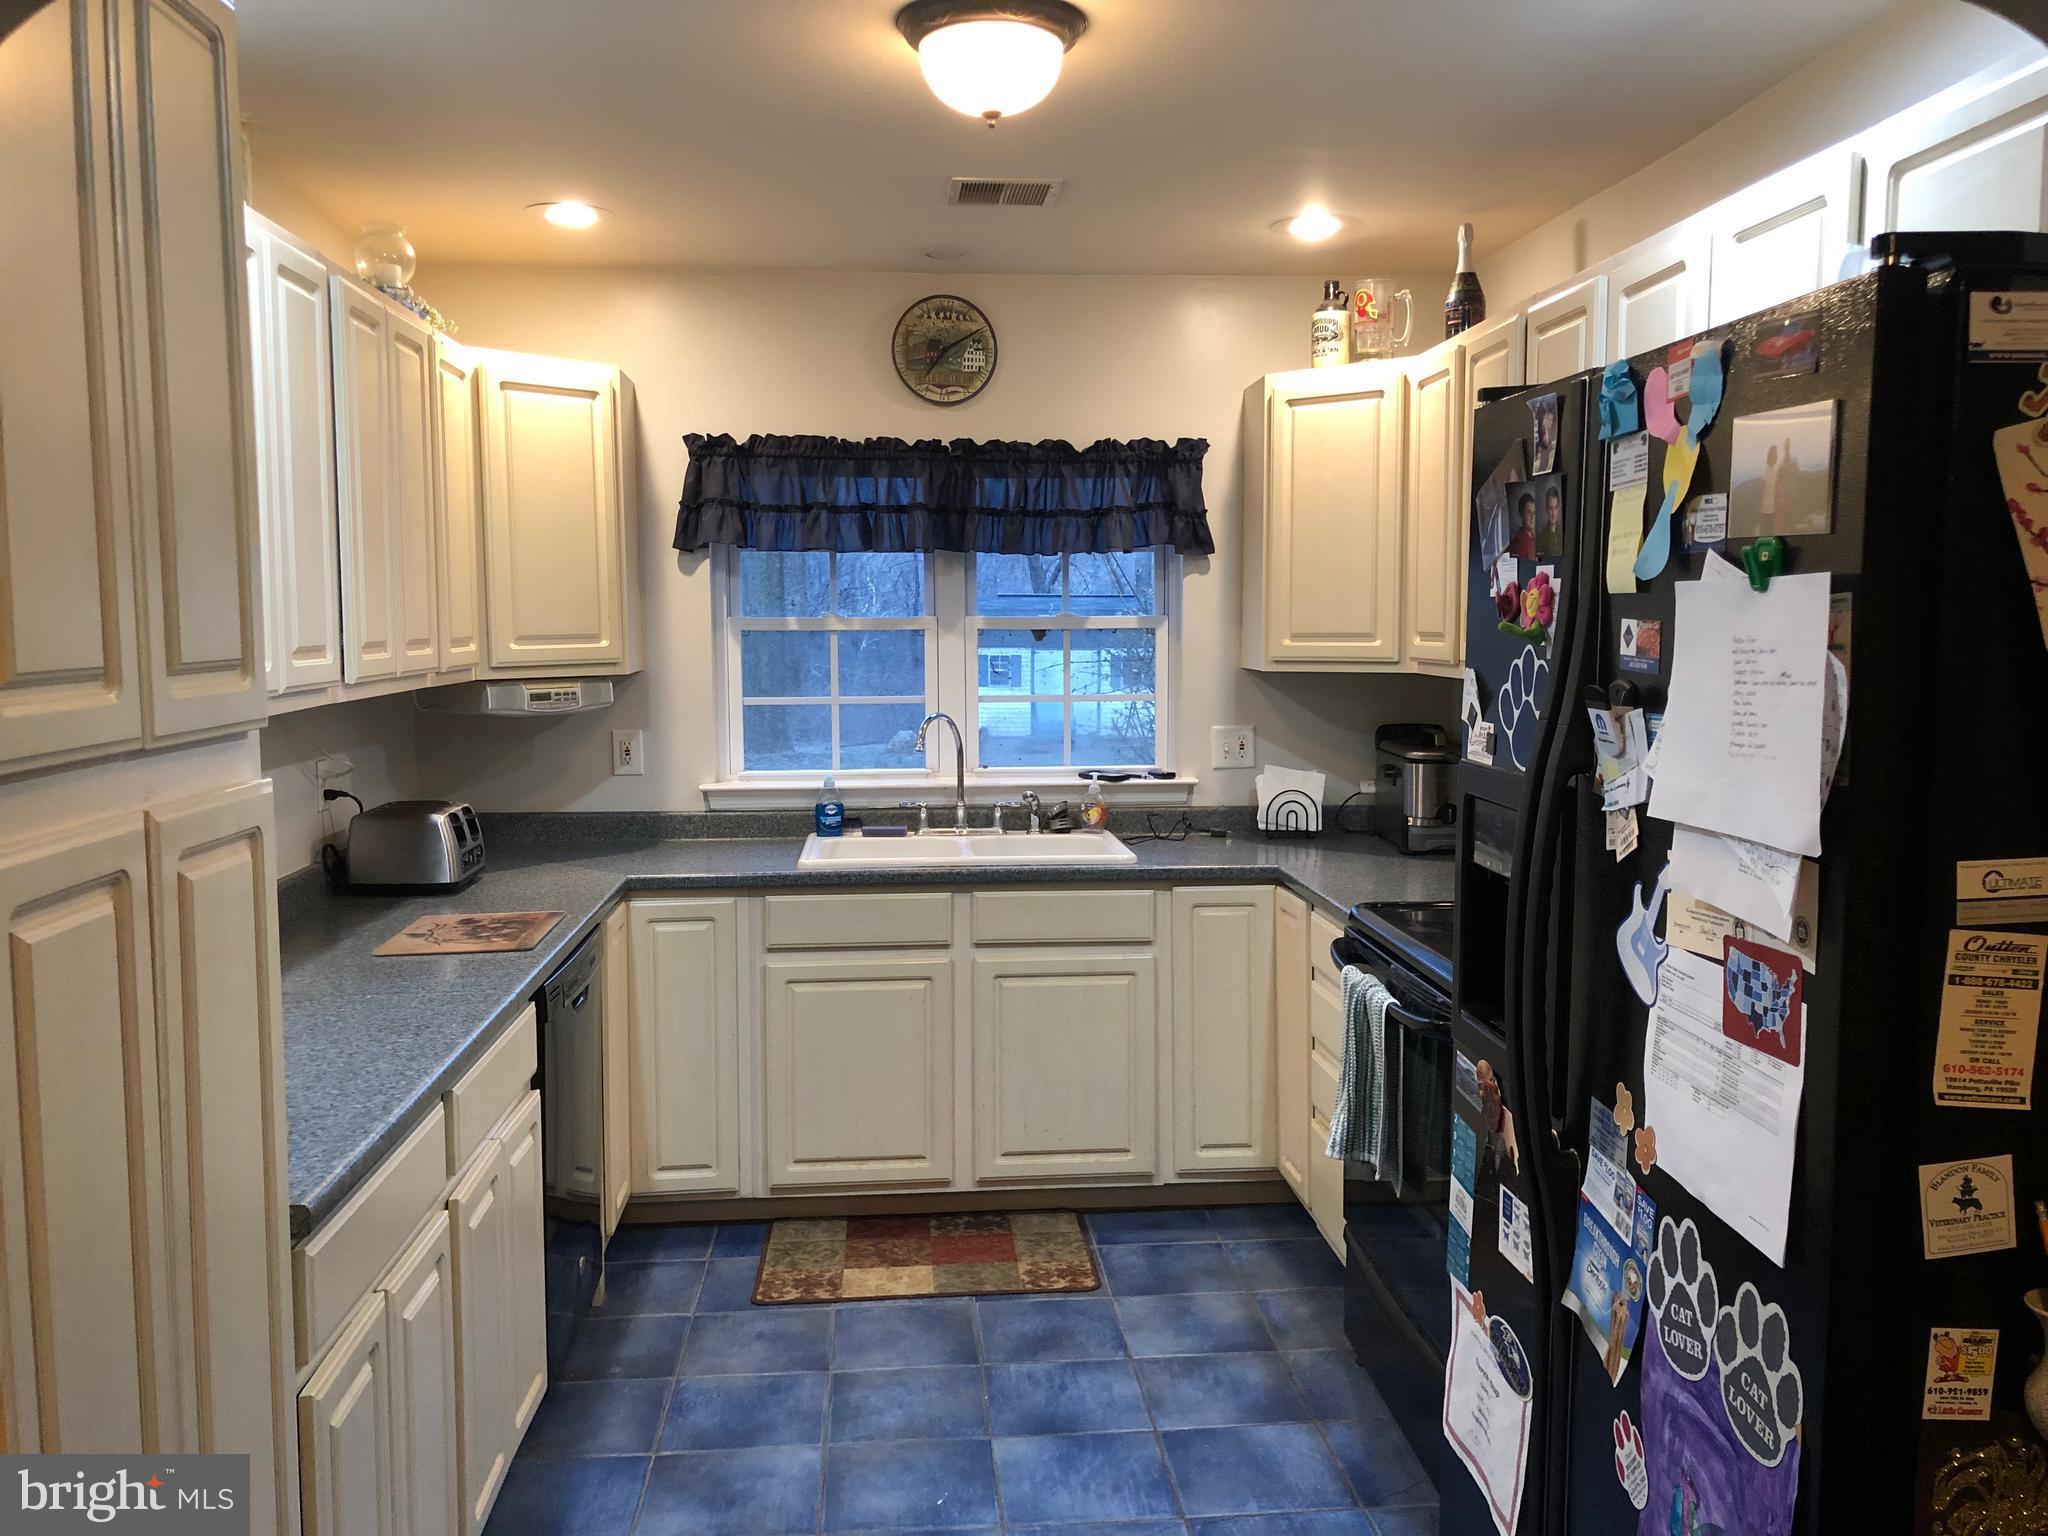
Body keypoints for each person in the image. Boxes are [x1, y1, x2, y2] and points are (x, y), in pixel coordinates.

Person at [1508, 492, 1538, 558]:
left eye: (1534, 513)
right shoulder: (1519, 542)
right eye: (1529, 512)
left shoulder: (1532, 538)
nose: (1532, 517)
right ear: (1521, 514)